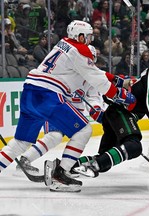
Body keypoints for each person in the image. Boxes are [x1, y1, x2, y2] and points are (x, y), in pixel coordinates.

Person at [0, 20, 136, 192]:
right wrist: (121, 95)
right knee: (84, 130)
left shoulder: (64, 44)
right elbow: (98, 80)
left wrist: (116, 79)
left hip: (30, 91)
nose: (89, 40)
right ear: (80, 36)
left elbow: (94, 72)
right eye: (87, 37)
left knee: (21, 142)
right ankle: (60, 175)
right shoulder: (79, 51)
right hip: (48, 95)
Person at [60, 57, 149, 178]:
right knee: (134, 147)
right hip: (121, 113)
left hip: (114, 114)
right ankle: (93, 166)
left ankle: (63, 167)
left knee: (104, 158)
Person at [15, 45, 109, 175]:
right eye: (86, 58)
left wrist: (98, 111)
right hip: (57, 109)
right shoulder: (66, 70)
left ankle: (65, 168)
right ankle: (26, 159)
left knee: (81, 136)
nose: (88, 62)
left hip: (75, 116)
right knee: (55, 136)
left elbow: (93, 100)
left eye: (91, 59)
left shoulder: (92, 78)